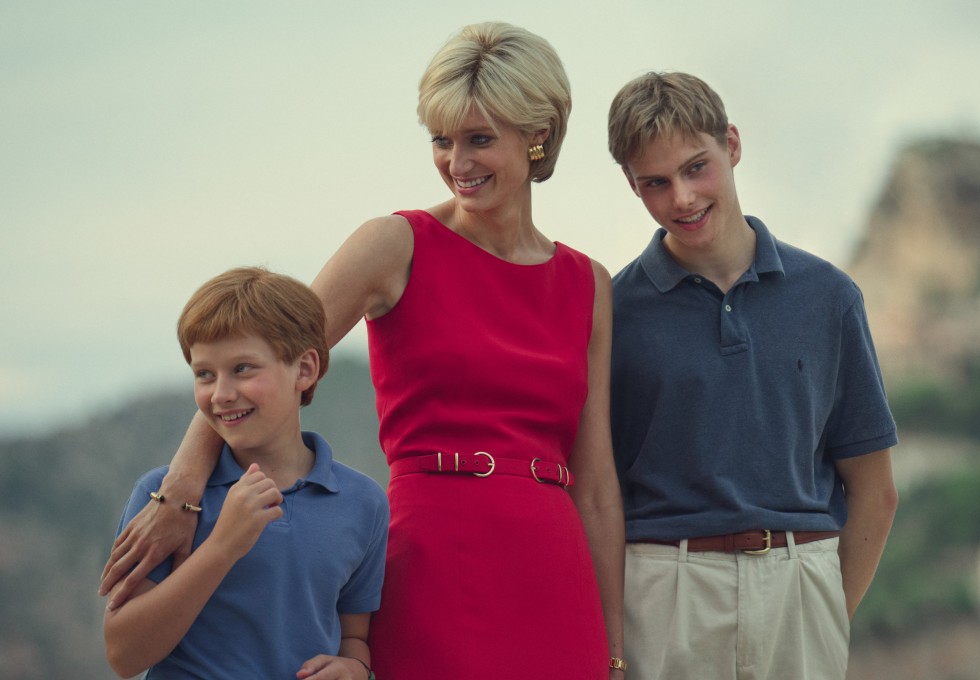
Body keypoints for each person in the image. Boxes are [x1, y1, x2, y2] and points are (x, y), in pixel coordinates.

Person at [99, 23, 626, 680]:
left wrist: (614, 645)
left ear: (538, 134)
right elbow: (260, 364)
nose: (456, 161)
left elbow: (598, 485)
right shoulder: (394, 244)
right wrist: (179, 494)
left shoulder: (589, 283)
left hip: (555, 572)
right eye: (441, 139)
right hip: (435, 557)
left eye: (479, 139)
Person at [606, 72, 899, 680]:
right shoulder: (612, 313)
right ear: (632, 185)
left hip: (801, 582)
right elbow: (596, 492)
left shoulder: (829, 296)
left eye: (696, 168)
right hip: (664, 591)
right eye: (655, 183)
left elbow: (874, 489)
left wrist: (825, 612)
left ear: (732, 145)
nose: (681, 198)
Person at [103, 267, 389, 679]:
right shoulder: (163, 498)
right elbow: (123, 655)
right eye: (204, 374)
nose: (220, 394)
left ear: (305, 370)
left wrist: (355, 667)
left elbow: (354, 635)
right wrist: (222, 546)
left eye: (242, 369)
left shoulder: (363, 503)